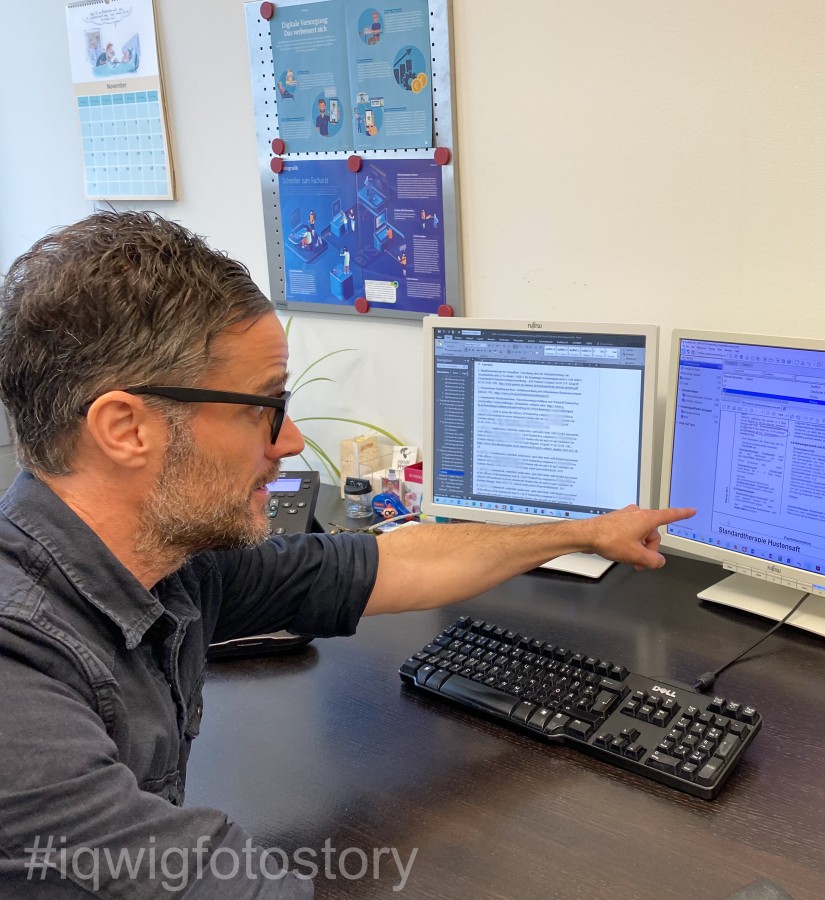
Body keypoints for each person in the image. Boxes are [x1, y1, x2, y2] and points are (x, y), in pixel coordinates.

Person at [0, 210, 692, 897]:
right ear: (126, 428)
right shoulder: (19, 678)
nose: (292, 440)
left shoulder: (166, 565)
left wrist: (580, 533)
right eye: (262, 407)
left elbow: (390, 563)